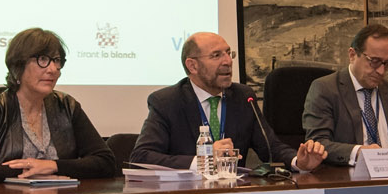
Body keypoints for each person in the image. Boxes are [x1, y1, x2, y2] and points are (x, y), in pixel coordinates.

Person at [130, 32, 327, 172]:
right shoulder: (167, 102)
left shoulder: (243, 97)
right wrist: (203, 161)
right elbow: (141, 156)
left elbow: (271, 148)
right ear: (192, 66)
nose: (227, 61)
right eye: (216, 55)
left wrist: (298, 162)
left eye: (228, 53)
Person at [0, 27, 119, 184]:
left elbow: (106, 161)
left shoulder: (67, 106)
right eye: (42, 59)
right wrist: (29, 171)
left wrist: (53, 166)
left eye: (57, 60)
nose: (52, 69)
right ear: (19, 65)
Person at [302, 22, 388, 166]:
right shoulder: (325, 89)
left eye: (387, 63)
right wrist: (359, 151)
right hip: (351, 175)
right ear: (352, 55)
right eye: (374, 61)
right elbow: (318, 143)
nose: (381, 71)